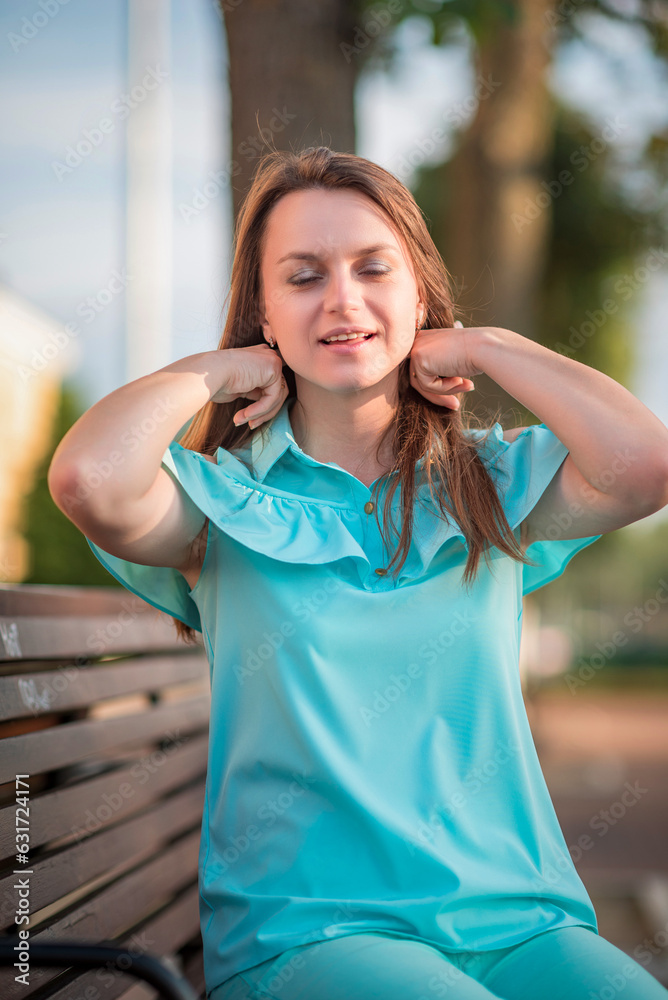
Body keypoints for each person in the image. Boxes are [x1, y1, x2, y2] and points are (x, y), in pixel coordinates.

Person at [48, 146, 668, 1000]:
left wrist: (483, 345)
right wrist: (221, 372)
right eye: (302, 278)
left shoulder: (488, 485)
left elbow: (643, 464)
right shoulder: (223, 504)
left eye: (374, 269)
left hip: (520, 920)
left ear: (418, 292)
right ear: (264, 312)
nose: (342, 299)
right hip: (309, 931)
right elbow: (87, 478)